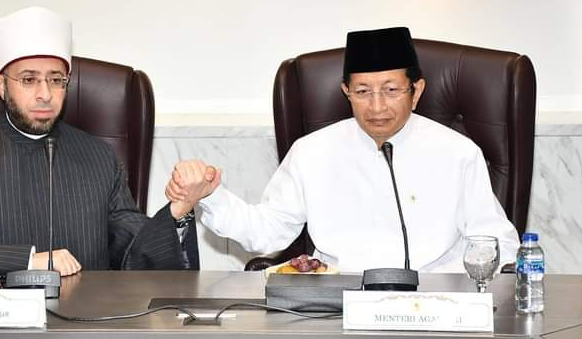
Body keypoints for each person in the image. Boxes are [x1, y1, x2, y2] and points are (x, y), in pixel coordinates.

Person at [166, 27, 519, 273]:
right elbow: (267, 231)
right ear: (346, 92)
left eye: (391, 90)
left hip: (433, 302)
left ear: (417, 91)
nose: (377, 106)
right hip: (339, 306)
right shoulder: (312, 152)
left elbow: (498, 242)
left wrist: (455, 287)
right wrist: (211, 196)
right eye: (363, 92)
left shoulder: (458, 153)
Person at [0, 6, 198, 275]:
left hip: (88, 312)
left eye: (56, 80)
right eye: (28, 80)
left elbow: (133, 250)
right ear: (0, 85)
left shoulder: (100, 157)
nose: (45, 94)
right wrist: (28, 261)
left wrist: (178, 211)